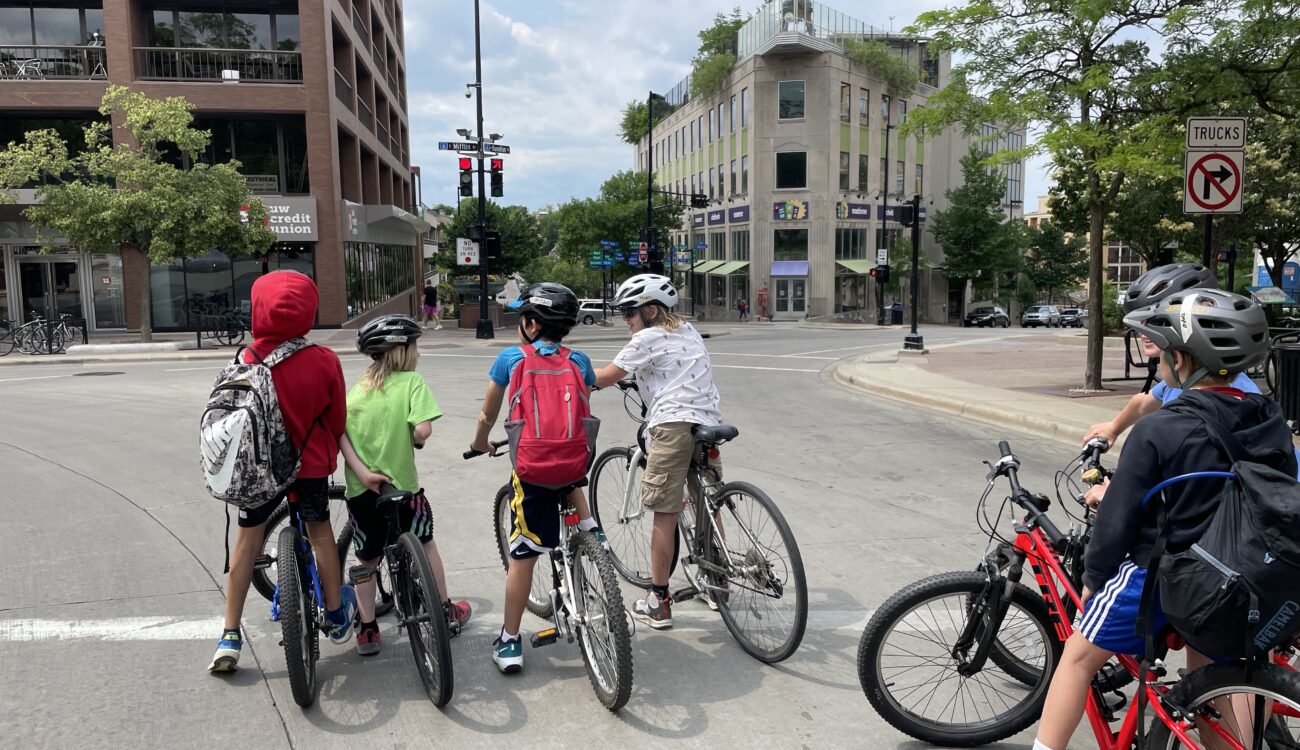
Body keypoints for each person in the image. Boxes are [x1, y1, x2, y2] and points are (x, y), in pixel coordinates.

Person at [1033, 289, 1297, 750]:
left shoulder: (1161, 427)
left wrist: (1095, 577)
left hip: (1163, 576)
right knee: (1212, 678)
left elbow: (1117, 521)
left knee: (1076, 659)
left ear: (1180, 358)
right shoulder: (1268, 416)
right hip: (1233, 579)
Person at [209, 271, 357, 673]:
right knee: (321, 533)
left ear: (257, 310)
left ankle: (229, 634)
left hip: (256, 470)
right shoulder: (324, 360)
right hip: (308, 468)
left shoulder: (243, 359)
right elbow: (337, 421)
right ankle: (334, 613)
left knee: (247, 542)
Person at [469, 282, 604, 674]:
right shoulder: (579, 360)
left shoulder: (510, 359)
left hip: (533, 470)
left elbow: (487, 416)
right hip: (574, 461)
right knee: (572, 478)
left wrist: (480, 444)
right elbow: (578, 414)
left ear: (530, 323)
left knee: (523, 554)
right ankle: (594, 534)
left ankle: (509, 641)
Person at [593, 273, 723, 630]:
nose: (626, 319)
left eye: (630, 312)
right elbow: (674, 369)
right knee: (706, 500)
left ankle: (659, 601)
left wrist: (569, 372)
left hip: (671, 425)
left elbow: (604, 376)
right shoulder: (689, 331)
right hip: (707, 421)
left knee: (664, 512)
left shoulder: (646, 338)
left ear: (651, 310)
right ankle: (719, 583)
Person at [338, 314, 471, 656]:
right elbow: (422, 430)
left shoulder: (356, 392)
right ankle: (443, 609)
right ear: (402, 350)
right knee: (425, 544)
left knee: (366, 557)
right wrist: (414, 437)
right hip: (402, 491)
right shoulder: (412, 382)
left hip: (362, 489)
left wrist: (364, 473)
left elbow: (341, 435)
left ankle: (367, 629)